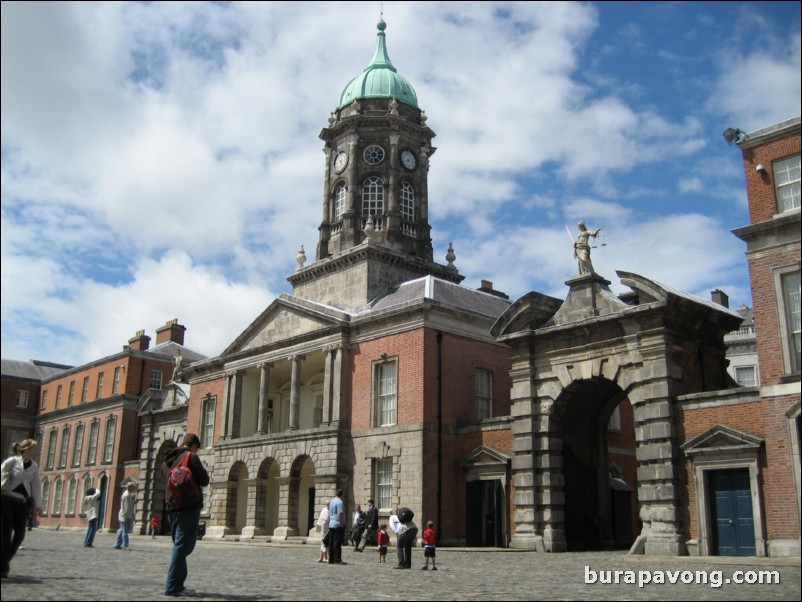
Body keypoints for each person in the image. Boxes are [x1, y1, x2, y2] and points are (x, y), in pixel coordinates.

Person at [163, 433, 210, 597]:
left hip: (171, 506)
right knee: (184, 547)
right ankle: (173, 586)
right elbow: (204, 480)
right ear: (194, 446)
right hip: (189, 506)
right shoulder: (191, 456)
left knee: (179, 546)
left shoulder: (167, 460)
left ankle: (178, 584)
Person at [1, 439, 42, 579]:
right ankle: (4, 567)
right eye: (33, 449)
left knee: (19, 535)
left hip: (22, 502)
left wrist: (38, 505)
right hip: (7, 499)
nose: (34, 452)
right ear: (25, 449)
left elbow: (36, 486)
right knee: (6, 535)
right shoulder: (12, 461)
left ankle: (3, 562)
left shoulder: (34, 466)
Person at [114, 482, 137, 550]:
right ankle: (125, 545)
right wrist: (128, 516)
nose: (134, 489)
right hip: (125, 515)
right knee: (125, 531)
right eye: (134, 487)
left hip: (124, 514)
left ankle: (117, 544)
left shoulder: (128, 494)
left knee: (122, 530)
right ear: (130, 487)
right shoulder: (127, 495)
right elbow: (126, 507)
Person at [327, 489, 346, 565]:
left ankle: (331, 559)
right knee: (337, 543)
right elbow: (340, 514)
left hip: (331, 523)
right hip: (337, 524)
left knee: (331, 542)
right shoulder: (340, 502)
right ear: (342, 495)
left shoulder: (332, 501)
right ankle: (337, 559)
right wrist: (341, 523)